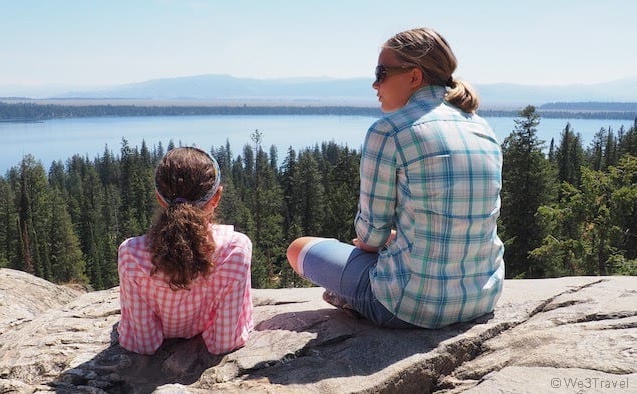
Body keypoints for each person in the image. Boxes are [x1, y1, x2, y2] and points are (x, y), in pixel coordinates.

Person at [286, 27, 504, 329]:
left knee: (299, 248)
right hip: (482, 298)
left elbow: (370, 238)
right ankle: (349, 298)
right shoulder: (482, 129)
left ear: (414, 77)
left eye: (381, 72)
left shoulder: (389, 131)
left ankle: (352, 299)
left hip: (407, 306)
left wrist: (379, 241)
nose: (375, 84)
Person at [117, 146, 253, 355]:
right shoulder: (235, 249)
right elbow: (224, 343)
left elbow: (141, 343)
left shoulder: (131, 253)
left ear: (159, 197)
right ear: (216, 197)